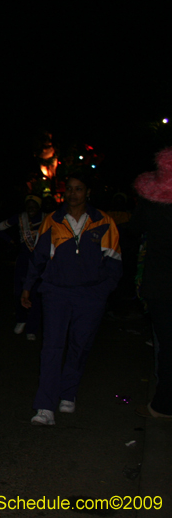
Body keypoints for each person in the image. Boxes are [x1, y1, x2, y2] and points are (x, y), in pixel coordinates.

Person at [22, 171, 122, 425]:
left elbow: (114, 263)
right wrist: (27, 286)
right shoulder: (53, 221)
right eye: (69, 189)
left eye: (78, 189)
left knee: (80, 345)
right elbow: (39, 257)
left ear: (87, 192)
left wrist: (101, 291)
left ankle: (68, 393)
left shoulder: (103, 222)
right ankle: (45, 406)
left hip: (90, 296)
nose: (73, 193)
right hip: (56, 292)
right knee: (52, 347)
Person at [131, 147, 172, 418]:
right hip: (161, 284)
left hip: (161, 284)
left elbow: (135, 231)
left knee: (167, 345)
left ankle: (163, 405)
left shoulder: (152, 205)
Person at [0, 195, 46, 340]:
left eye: (34, 205)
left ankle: (32, 327)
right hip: (24, 261)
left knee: (37, 293)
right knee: (19, 291)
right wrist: (11, 241)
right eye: (28, 205)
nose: (31, 208)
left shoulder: (48, 218)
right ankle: (21, 319)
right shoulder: (20, 218)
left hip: (41, 262)